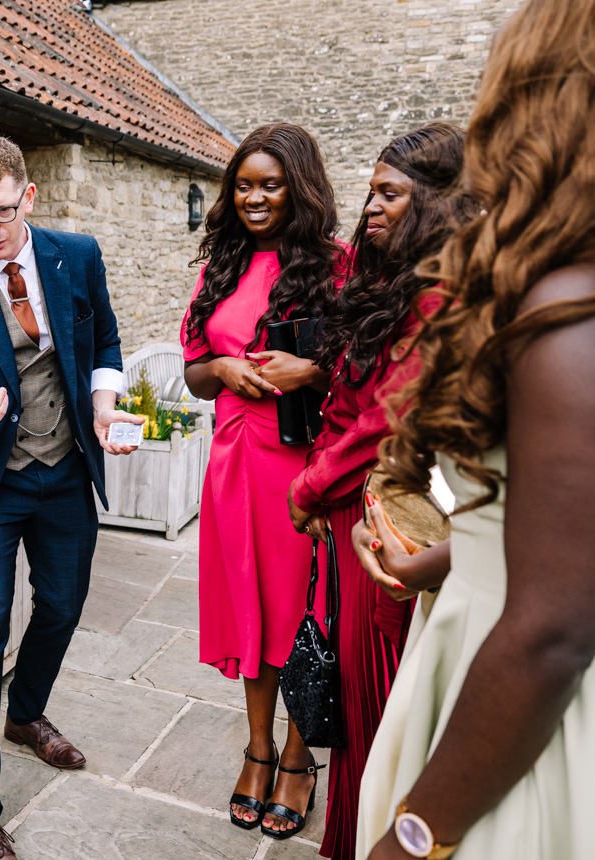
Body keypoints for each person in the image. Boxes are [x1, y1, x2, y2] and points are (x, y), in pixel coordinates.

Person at [355, 1, 595, 856]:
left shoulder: (566, 316)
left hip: (516, 700)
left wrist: (416, 836)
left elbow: (554, 627)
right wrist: (446, 557)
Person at [0, 135, 142, 860]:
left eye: (3, 211)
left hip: (65, 467)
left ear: (28, 197)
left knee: (65, 604)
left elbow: (103, 341)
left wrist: (104, 408)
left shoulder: (77, 255)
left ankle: (28, 713)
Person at [286, 124, 475, 857]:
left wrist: (309, 484)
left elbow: (383, 422)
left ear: (436, 204)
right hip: (346, 513)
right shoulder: (395, 287)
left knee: (379, 699)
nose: (371, 207)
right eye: (370, 192)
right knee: (358, 692)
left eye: (390, 193)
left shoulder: (441, 300)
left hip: (383, 519)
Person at [179, 123, 342, 837]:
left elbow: (371, 366)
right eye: (243, 185)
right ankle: (258, 747)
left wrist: (309, 368)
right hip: (233, 463)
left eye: (269, 184)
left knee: (304, 614)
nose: (253, 197)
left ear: (298, 187)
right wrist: (220, 369)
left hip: (303, 467)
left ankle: (301, 758)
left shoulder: (336, 267)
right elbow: (192, 371)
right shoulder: (223, 261)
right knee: (251, 612)